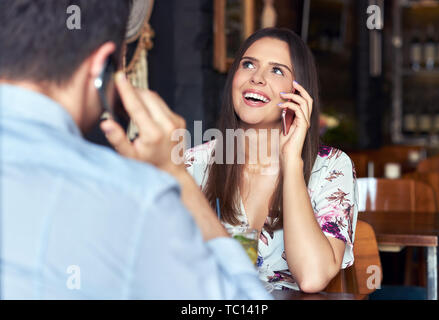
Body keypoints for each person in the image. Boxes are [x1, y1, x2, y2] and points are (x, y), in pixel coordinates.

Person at [0, 0, 272, 299]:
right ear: (102, 65)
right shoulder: (134, 196)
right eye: (248, 65)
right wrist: (174, 176)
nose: (257, 78)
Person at [185, 28, 359, 292]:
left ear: (299, 93)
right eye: (248, 64)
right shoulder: (191, 165)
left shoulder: (332, 168)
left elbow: (312, 278)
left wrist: (291, 163)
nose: (257, 78)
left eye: (277, 70)